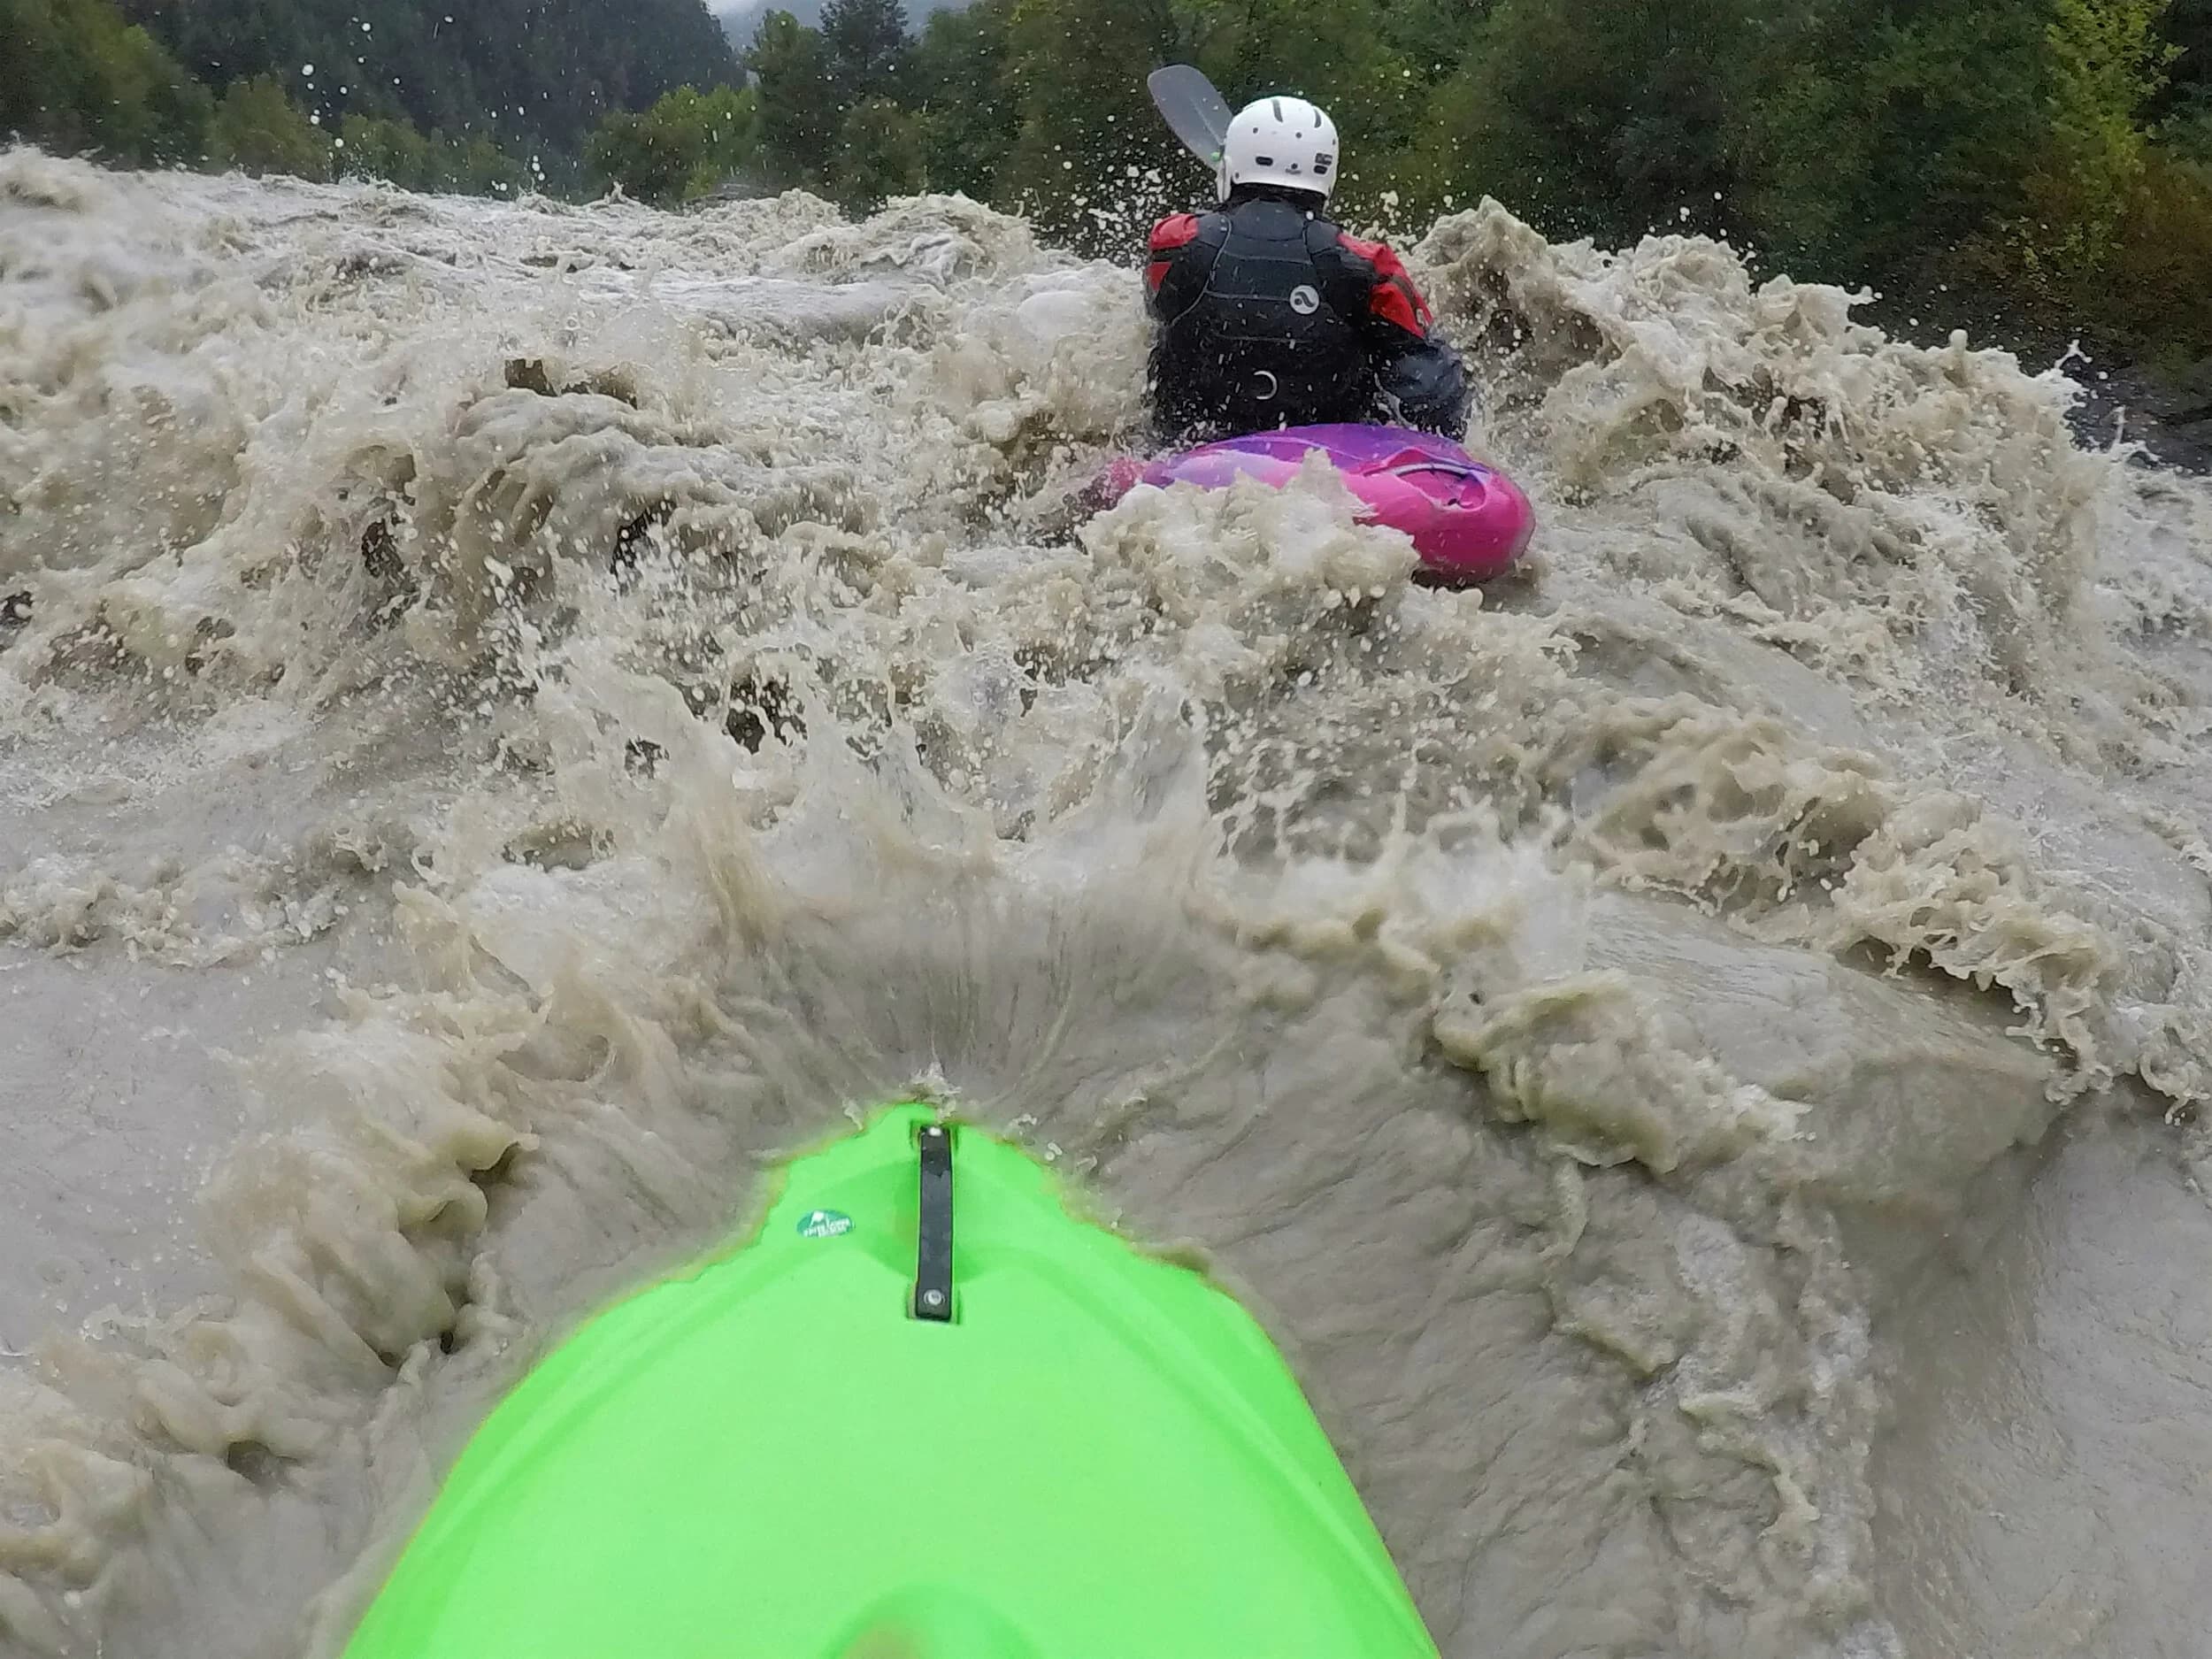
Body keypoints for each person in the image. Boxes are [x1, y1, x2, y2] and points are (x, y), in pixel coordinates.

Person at [1143, 96, 1471, 447]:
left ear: (1231, 167)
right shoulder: (1366, 263)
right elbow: (1431, 390)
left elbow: (1157, 308)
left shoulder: (1176, 241)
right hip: (1325, 459)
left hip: (1190, 452)